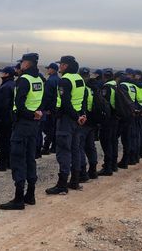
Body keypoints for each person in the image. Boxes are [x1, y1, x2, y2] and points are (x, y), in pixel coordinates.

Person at [0, 53, 45, 210]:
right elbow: (41, 100)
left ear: (27, 63)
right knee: (30, 158)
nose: (21, 65)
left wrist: (31, 114)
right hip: (34, 125)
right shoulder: (39, 79)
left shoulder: (24, 80)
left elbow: (19, 106)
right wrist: (38, 113)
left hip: (23, 124)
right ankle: (30, 195)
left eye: (22, 62)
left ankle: (19, 198)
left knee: (18, 159)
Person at [46, 56, 88, 195]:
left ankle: (62, 185)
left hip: (66, 120)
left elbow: (65, 102)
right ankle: (75, 181)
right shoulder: (79, 79)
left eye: (61, 64)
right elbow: (82, 99)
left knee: (63, 151)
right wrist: (82, 115)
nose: (60, 67)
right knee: (75, 150)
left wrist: (76, 117)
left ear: (66, 66)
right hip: (77, 120)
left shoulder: (65, 80)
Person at [0, 66, 16, 172]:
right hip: (12, 117)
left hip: (5, 119)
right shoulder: (14, 84)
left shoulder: (5, 87)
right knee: (9, 140)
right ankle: (9, 162)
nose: (1, 74)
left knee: (2, 141)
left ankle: (2, 163)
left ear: (7, 74)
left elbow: (3, 105)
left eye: (3, 72)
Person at [77, 67, 99, 182]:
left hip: (84, 121)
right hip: (93, 121)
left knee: (80, 146)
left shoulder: (83, 88)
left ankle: (83, 173)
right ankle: (93, 170)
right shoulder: (93, 88)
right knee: (91, 147)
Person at [98, 68, 119, 176]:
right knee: (113, 141)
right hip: (116, 117)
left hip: (108, 119)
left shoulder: (106, 87)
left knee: (106, 142)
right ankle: (114, 164)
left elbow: (104, 104)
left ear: (104, 76)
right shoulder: (116, 85)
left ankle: (107, 167)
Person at [40, 62, 60, 156]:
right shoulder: (59, 80)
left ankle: (46, 147)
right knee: (54, 128)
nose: (47, 70)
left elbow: (47, 96)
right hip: (57, 108)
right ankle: (54, 147)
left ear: (52, 70)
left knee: (49, 129)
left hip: (50, 109)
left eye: (48, 68)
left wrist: (46, 109)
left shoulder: (50, 81)